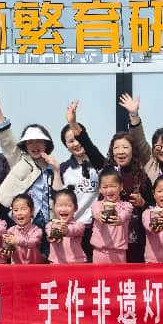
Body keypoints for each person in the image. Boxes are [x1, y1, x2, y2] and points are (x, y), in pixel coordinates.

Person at [59, 101, 102, 260]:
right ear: (66, 146)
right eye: (70, 141)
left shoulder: (99, 164)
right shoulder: (64, 168)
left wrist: (73, 123)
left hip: (97, 227)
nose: (76, 143)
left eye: (77, 138)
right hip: (74, 228)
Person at [90, 167, 134, 264]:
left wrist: (119, 219)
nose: (109, 190)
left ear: (121, 187)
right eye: (105, 187)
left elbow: (124, 215)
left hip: (119, 253)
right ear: (100, 189)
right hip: (99, 252)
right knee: (98, 274)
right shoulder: (96, 205)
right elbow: (96, 212)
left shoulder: (126, 206)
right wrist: (99, 215)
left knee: (119, 274)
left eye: (113, 186)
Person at [46, 188, 87, 264]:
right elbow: (51, 234)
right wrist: (53, 236)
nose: (63, 209)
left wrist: (67, 231)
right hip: (56, 263)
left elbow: (74, 230)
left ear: (76, 208)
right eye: (59, 205)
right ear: (54, 207)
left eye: (68, 205)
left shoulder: (79, 225)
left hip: (76, 263)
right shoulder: (50, 225)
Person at [2, 194, 44, 264]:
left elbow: (32, 242)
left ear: (32, 211)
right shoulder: (10, 231)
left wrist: (18, 241)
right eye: (16, 210)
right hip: (17, 268)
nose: (19, 213)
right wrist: (6, 253)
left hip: (35, 267)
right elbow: (7, 253)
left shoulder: (37, 230)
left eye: (23, 209)